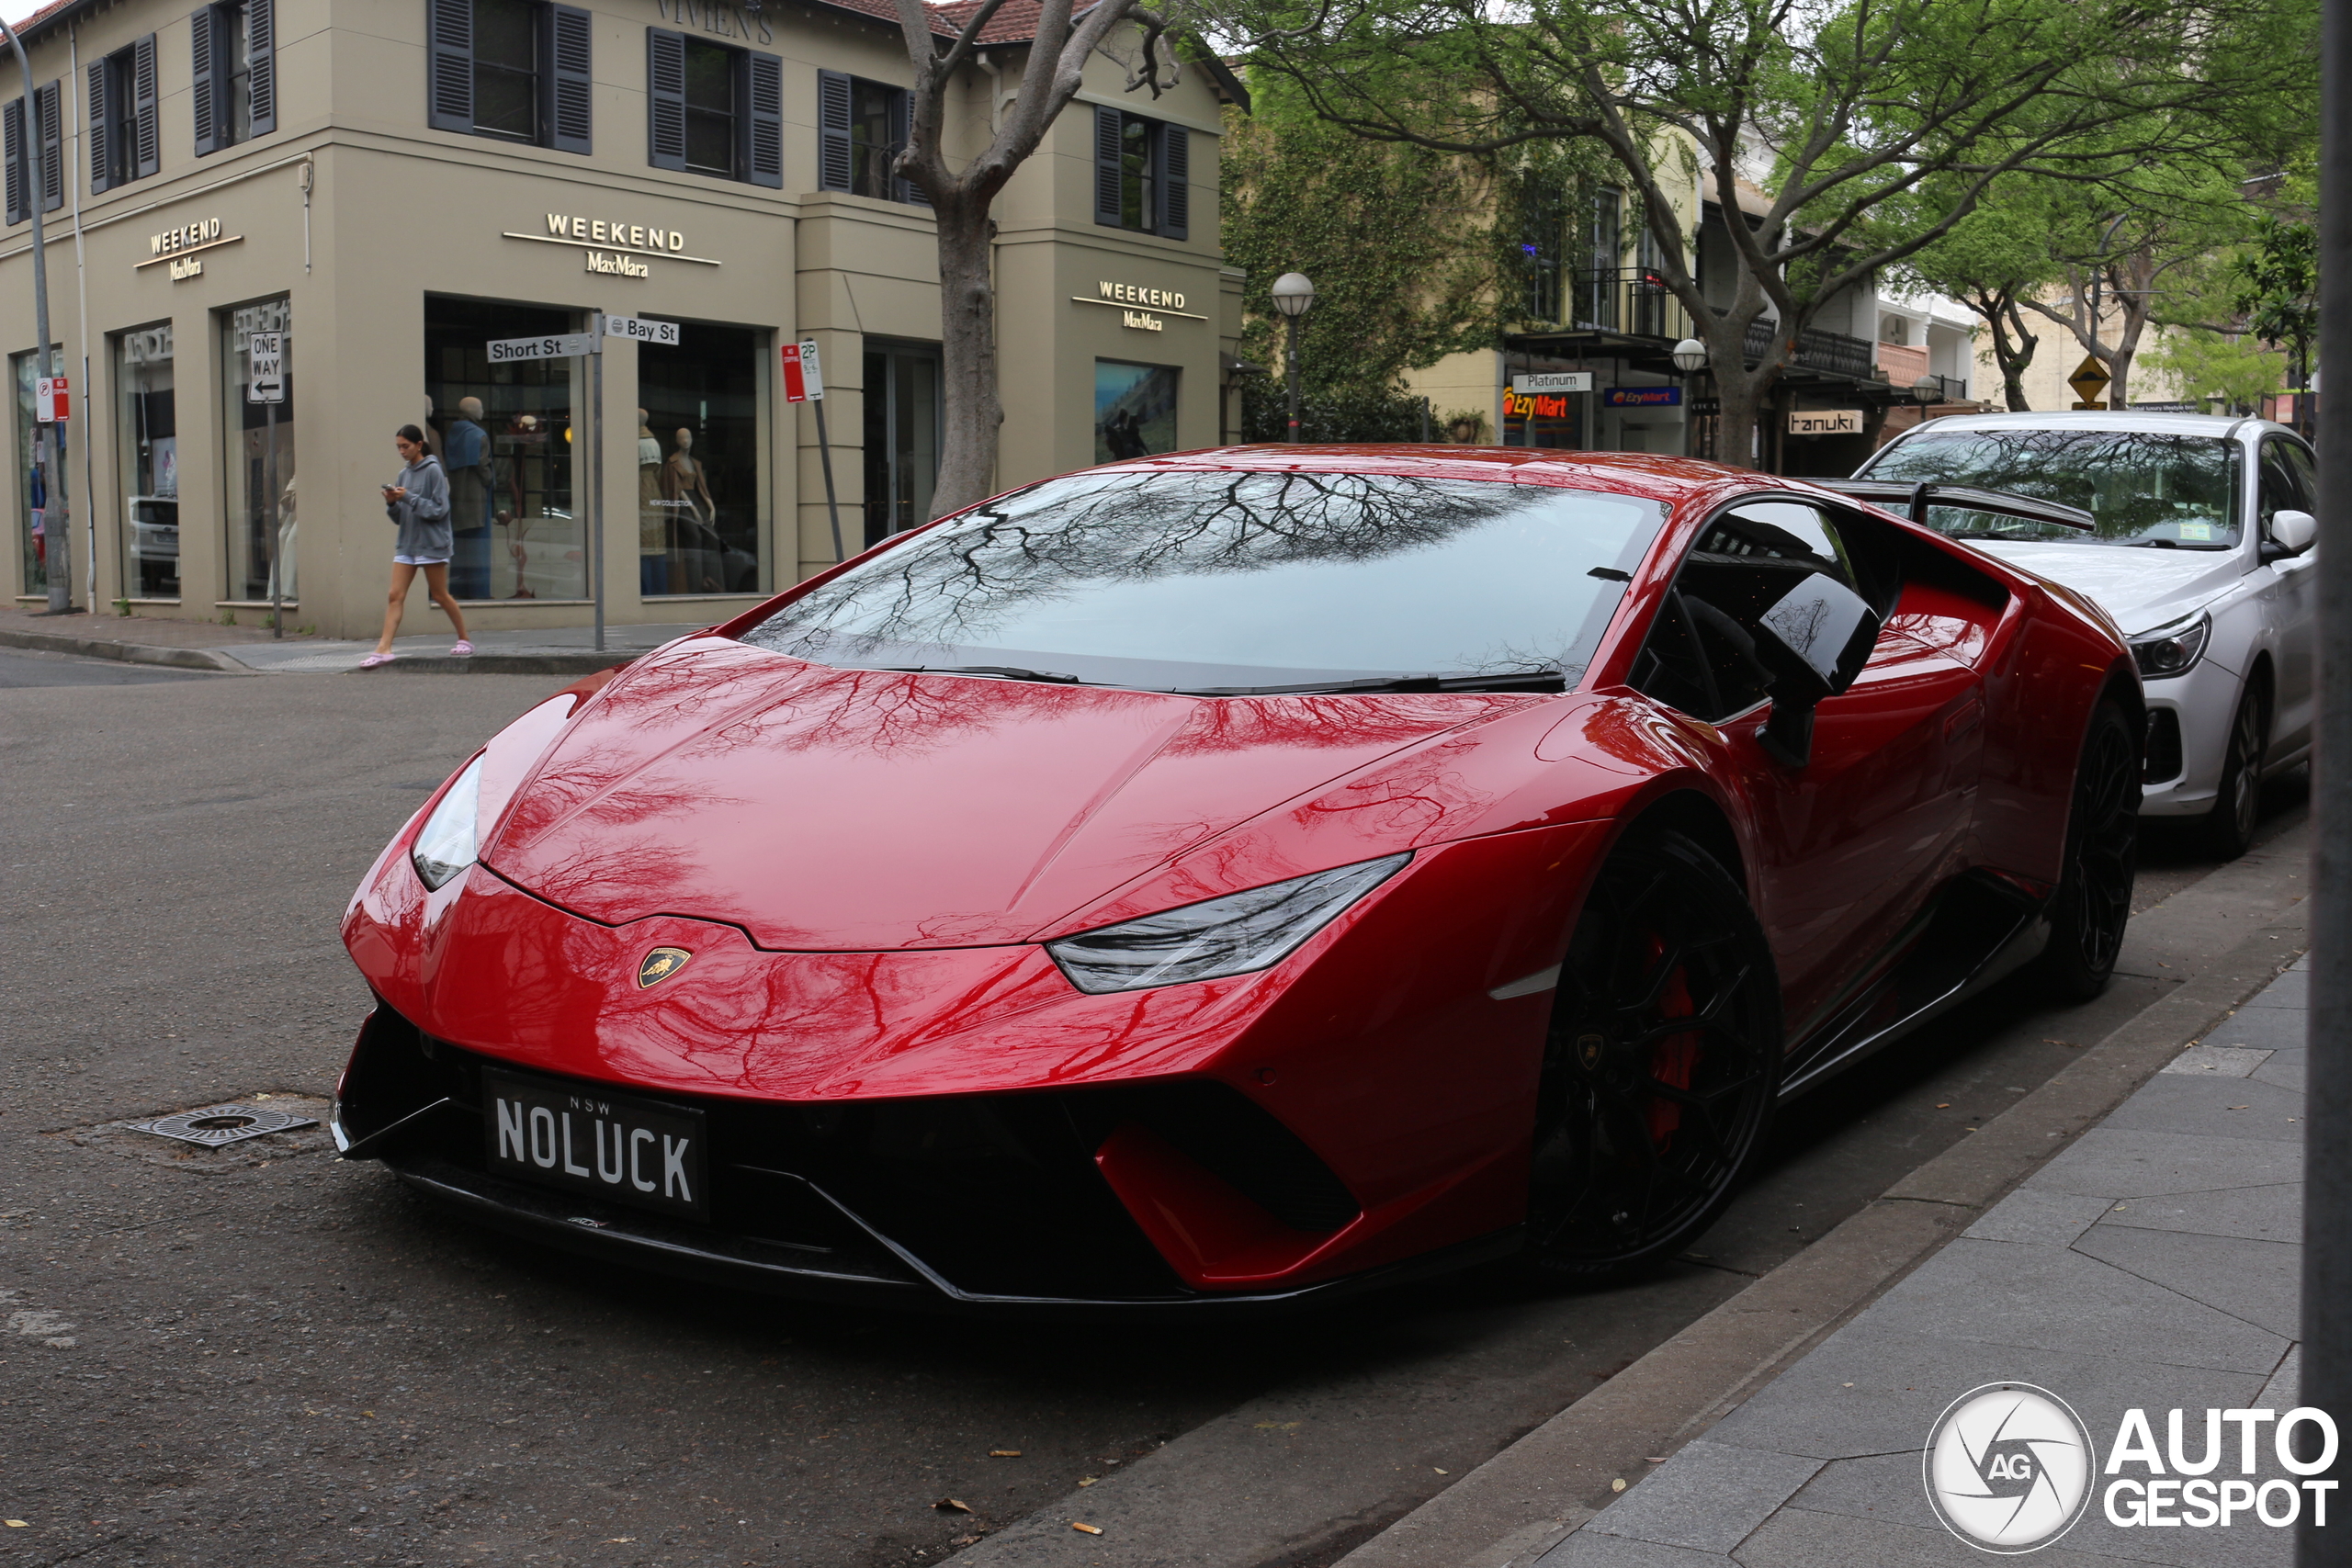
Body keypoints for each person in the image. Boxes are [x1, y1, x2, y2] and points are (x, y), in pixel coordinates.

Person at [361, 424, 470, 668]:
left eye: (406, 446)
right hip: (407, 545)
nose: (401, 451)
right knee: (394, 596)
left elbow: (440, 510)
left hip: (432, 544)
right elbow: (400, 518)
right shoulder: (404, 474)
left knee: (440, 595)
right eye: (398, 447)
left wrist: (408, 497)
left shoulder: (433, 470)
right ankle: (384, 648)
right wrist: (392, 503)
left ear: (419, 445)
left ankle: (464, 639)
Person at [443, 396, 494, 599]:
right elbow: (483, 465)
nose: (483, 412)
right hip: (476, 501)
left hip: (457, 501)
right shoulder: (478, 435)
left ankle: (458, 593)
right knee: (478, 553)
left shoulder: (453, 434)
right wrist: (490, 479)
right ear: (473, 411)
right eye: (480, 408)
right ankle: (479, 594)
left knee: (460, 552)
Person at [638, 411, 667, 596]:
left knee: (643, 543)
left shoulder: (636, 443)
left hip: (640, 488)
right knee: (654, 539)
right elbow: (658, 469)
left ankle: (647, 590)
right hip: (653, 489)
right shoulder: (654, 443)